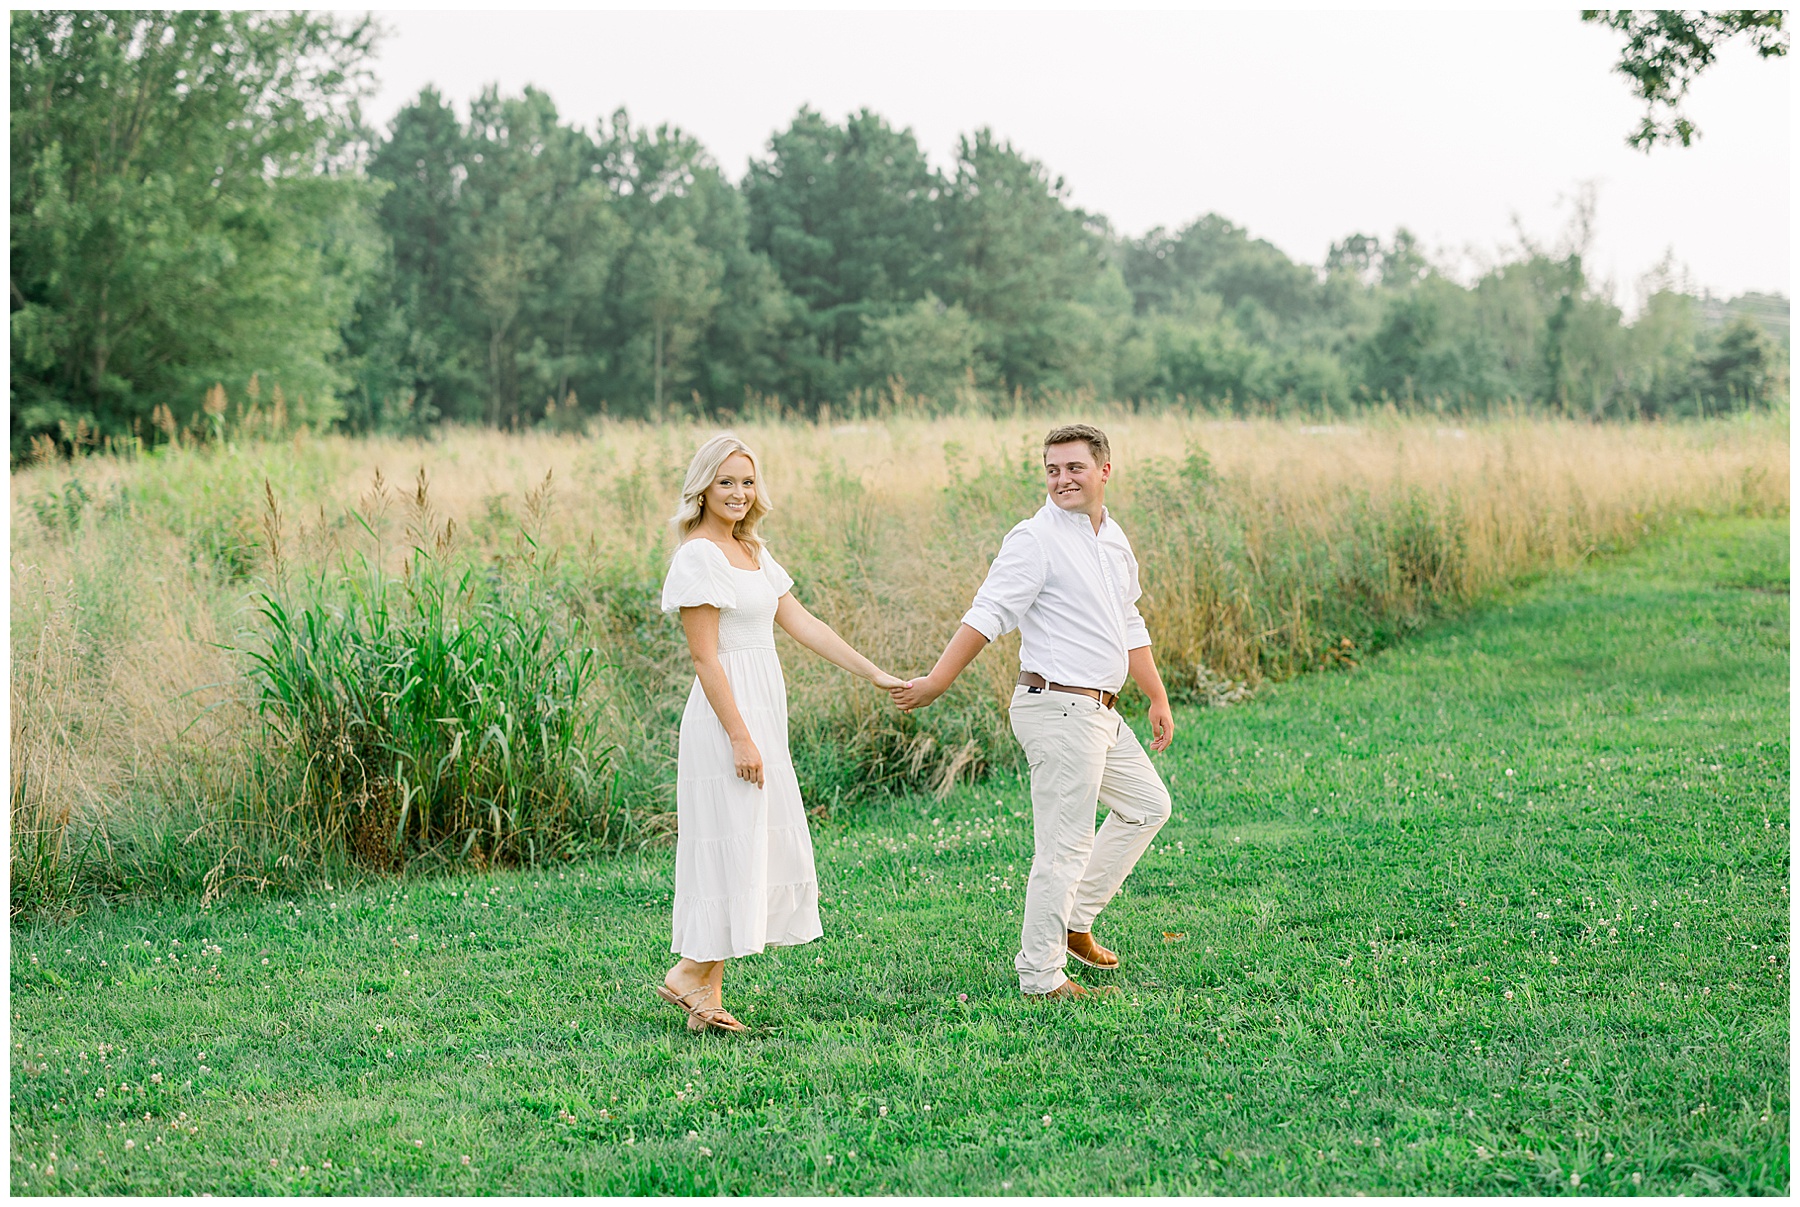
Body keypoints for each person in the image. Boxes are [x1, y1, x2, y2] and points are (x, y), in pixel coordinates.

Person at [890, 423, 1174, 1001]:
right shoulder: (1034, 538)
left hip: (1100, 709)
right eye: (1052, 469)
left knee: (1148, 807)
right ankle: (1041, 976)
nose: (1062, 479)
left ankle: (1074, 920)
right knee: (1063, 847)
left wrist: (1157, 694)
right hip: (1058, 707)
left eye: (1074, 468)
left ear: (1104, 471)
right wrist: (937, 681)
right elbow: (988, 613)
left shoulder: (1113, 537)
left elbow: (1128, 621)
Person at [656, 432, 903, 1033]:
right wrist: (740, 736)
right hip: (727, 717)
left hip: (764, 709)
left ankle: (706, 998)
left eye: (747, 481)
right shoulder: (698, 556)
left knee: (749, 840)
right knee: (732, 837)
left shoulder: (753, 551)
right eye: (726, 482)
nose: (739, 493)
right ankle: (689, 974)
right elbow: (705, 658)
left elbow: (804, 623)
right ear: (703, 488)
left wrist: (872, 672)